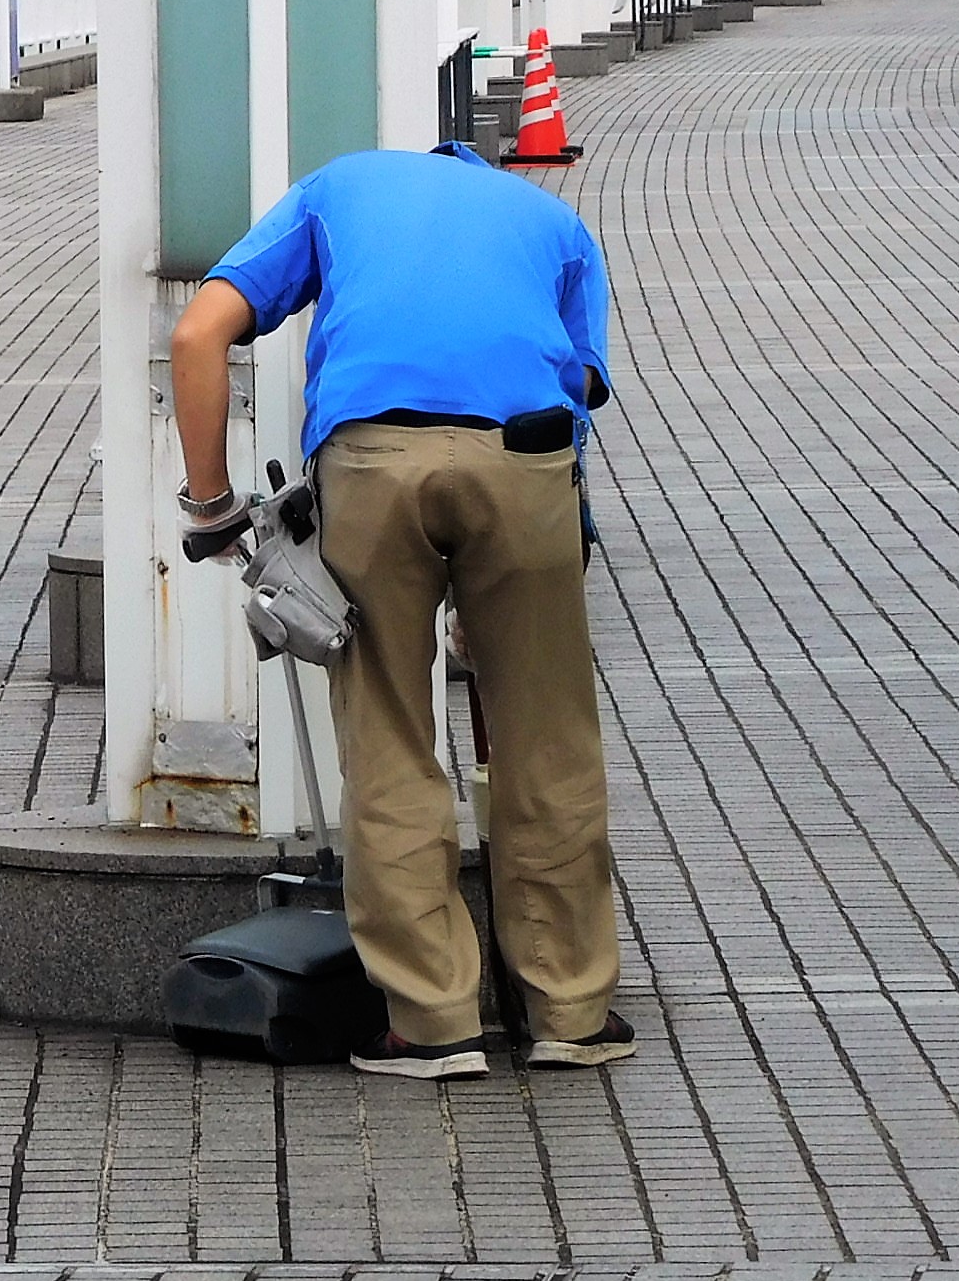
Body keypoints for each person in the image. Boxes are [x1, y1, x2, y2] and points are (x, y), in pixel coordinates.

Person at [170, 142, 630, 1080]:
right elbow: (580, 384)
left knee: (387, 732)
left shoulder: (337, 189)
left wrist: (212, 505)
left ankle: (430, 1026)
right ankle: (569, 1015)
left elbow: (197, 336)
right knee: (547, 735)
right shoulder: (553, 221)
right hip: (525, 457)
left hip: (372, 463)